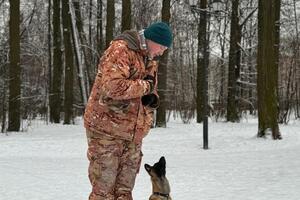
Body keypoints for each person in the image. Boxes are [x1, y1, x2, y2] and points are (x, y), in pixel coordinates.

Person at [84, 22, 173, 200]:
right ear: (151, 40)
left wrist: (152, 97)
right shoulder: (121, 50)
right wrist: (145, 87)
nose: (162, 51)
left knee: (124, 193)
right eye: (162, 46)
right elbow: (112, 87)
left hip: (132, 134)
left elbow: (149, 87)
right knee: (104, 192)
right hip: (107, 132)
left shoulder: (149, 57)